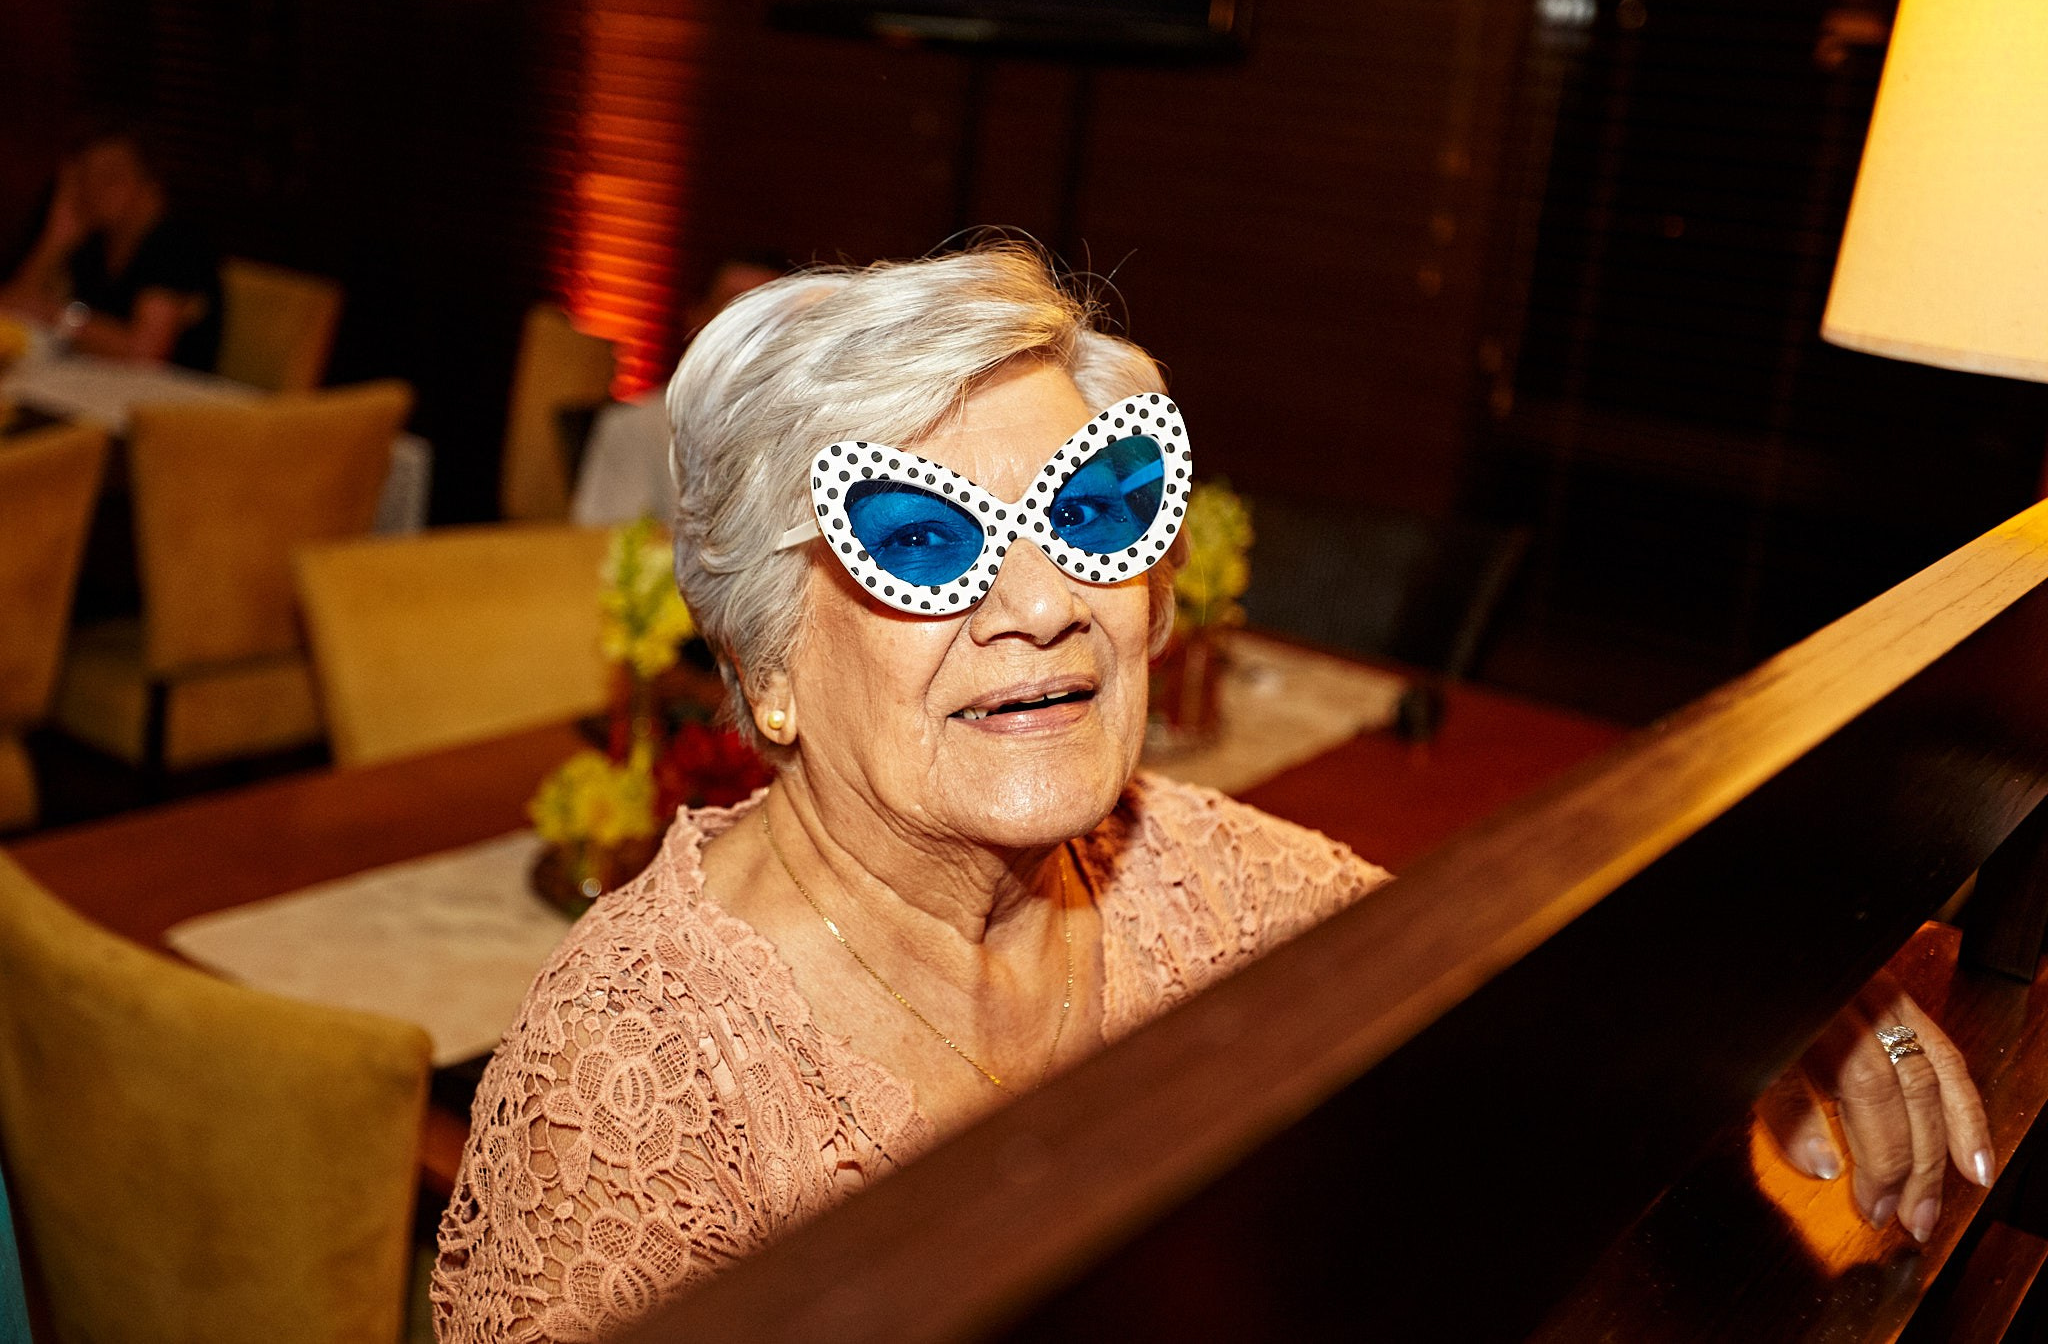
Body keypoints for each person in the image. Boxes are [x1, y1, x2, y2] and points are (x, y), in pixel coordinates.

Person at [431, 246, 1989, 1341]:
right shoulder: (627, 1077)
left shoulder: (1201, 875)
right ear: (766, 663)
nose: (1039, 604)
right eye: (921, 538)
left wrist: (1779, 1010)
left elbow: (1519, 1021)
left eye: (1092, 512)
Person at [0, 123, 221, 370]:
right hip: (96, 383)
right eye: (85, 177)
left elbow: (146, 353)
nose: (93, 190)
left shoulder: (177, 241)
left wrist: (57, 317)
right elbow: (10, 308)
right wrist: (56, 238)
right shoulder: (94, 241)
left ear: (151, 183)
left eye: (110, 177)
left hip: (176, 400)